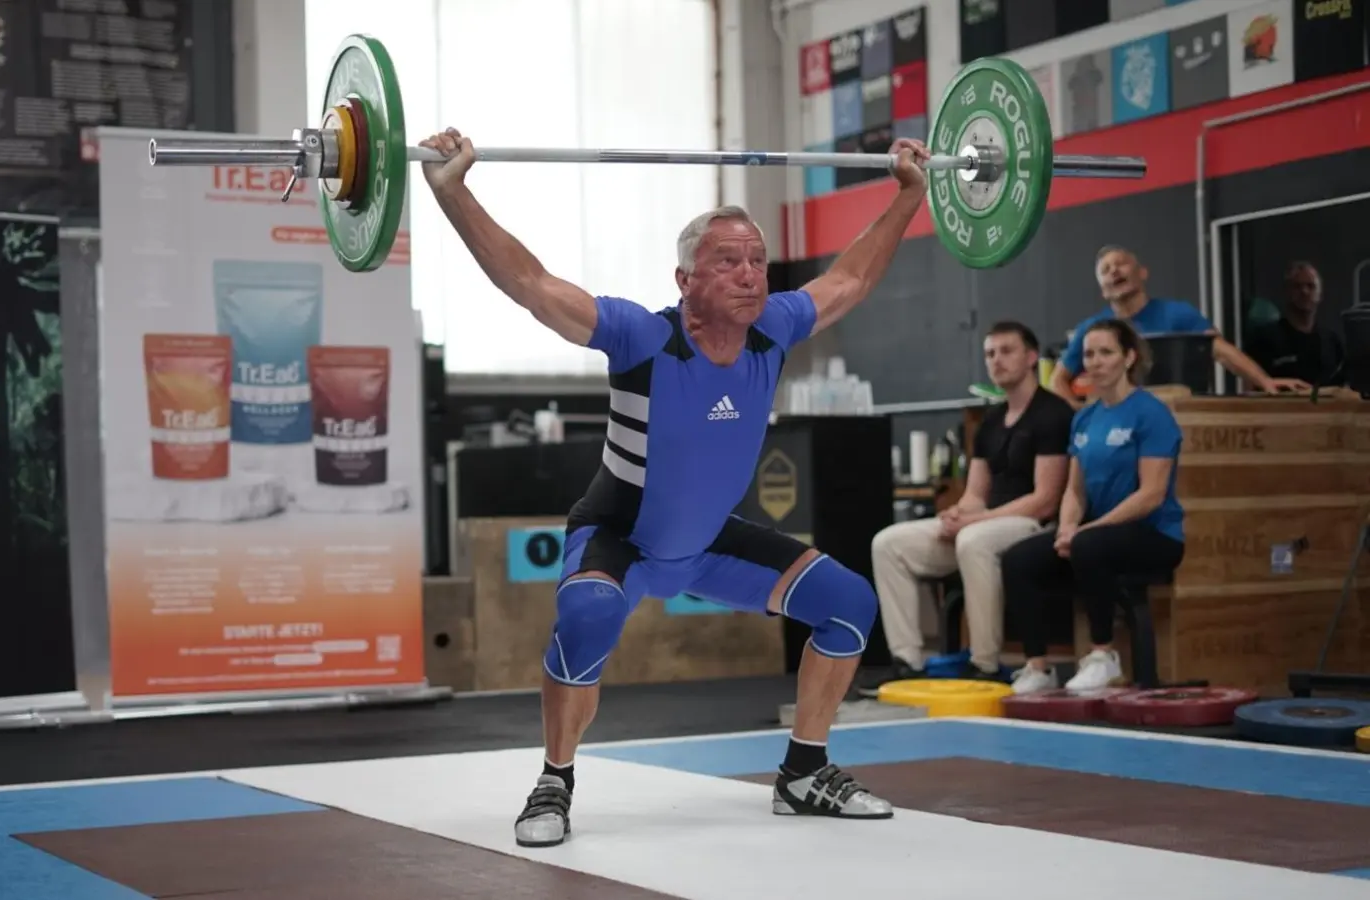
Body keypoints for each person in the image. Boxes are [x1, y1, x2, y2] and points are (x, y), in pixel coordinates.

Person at [417, 126, 931, 846]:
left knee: (848, 604)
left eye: (757, 260)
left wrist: (911, 193)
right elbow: (530, 286)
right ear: (685, 279)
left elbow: (850, 279)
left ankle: (805, 774)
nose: (751, 274)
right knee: (587, 618)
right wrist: (453, 191)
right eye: (728, 262)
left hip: (708, 544)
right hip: (619, 536)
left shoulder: (774, 329)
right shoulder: (642, 336)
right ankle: (553, 781)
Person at [869, 321, 1072, 684]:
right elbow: (975, 494)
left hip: (1032, 525)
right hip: (986, 524)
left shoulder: (1053, 413)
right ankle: (907, 660)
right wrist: (957, 513)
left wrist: (974, 522)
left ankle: (986, 664)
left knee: (973, 540)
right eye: (990, 353)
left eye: (1006, 351)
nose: (996, 360)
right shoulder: (991, 420)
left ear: (1031, 357)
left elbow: (1044, 500)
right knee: (888, 543)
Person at [1001, 319, 1187, 694]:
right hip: (1097, 536)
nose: (1096, 361)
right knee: (1018, 559)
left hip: (1155, 535)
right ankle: (1037, 666)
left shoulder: (1151, 414)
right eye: (1089, 353)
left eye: (1106, 352)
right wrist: (1069, 526)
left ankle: (1103, 656)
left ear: (1129, 357)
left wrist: (1088, 531)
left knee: (1088, 546)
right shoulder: (1085, 417)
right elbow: (1075, 491)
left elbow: (1151, 494)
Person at [1048, 245, 1310, 408]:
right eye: (1106, 270)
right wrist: (1077, 411)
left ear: (1142, 273)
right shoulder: (1091, 330)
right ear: (1103, 290)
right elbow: (1057, 379)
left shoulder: (1178, 314)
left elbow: (1220, 350)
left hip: (1178, 419)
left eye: (1121, 264)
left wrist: (1264, 382)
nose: (1114, 270)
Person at [1243, 261, 1347, 388]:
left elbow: (1343, 388)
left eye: (1311, 286)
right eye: (1297, 286)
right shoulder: (1263, 339)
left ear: (1320, 295)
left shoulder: (1331, 342)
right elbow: (1249, 386)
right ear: (1287, 291)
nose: (1304, 291)